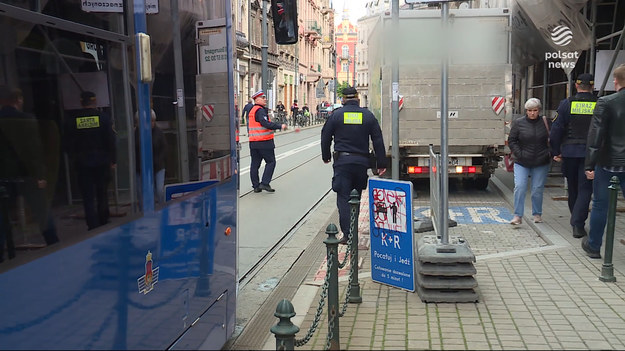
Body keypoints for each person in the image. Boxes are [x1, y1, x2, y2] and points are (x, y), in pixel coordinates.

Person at [321, 86, 387, 244]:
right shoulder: (367, 115)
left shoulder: (336, 115)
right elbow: (377, 139)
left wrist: (325, 156)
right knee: (356, 196)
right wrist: (381, 163)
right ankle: (354, 227)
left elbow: (325, 137)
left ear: (343, 99)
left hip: (342, 162)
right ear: (357, 98)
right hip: (361, 163)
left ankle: (348, 234)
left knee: (343, 198)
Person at [0, 87, 58, 261]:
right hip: (28, 176)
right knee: (42, 212)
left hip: (3, 176)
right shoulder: (26, 120)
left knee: (2, 217)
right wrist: (40, 175)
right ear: (17, 99)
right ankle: (53, 244)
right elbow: (34, 151)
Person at [582, 64, 625, 259]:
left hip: (608, 164)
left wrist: (589, 164)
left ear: (615, 81)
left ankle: (594, 246)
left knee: (600, 205)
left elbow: (595, 136)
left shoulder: (606, 102)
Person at [550, 73, 597, 239]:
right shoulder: (598, 104)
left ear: (576, 86)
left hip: (569, 153)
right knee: (585, 189)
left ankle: (576, 220)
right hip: (590, 154)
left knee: (573, 188)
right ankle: (578, 224)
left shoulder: (566, 104)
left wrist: (555, 151)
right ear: (592, 87)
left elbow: (556, 130)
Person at [65, 91, 116, 230]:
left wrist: (73, 158)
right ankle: (103, 220)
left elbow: (68, 144)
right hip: (101, 161)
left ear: (82, 102)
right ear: (94, 102)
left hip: (82, 163)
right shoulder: (103, 118)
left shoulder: (73, 120)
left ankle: (92, 224)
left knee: (87, 196)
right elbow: (111, 140)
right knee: (102, 193)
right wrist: (113, 160)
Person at [507, 97, 551, 225]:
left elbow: (553, 138)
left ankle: (537, 214)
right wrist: (519, 153)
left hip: (541, 161)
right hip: (522, 161)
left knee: (537, 189)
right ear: (526, 111)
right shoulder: (519, 123)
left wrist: (549, 153)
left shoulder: (545, 122)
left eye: (535, 110)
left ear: (539, 110)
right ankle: (517, 215)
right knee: (520, 187)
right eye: (530, 110)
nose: (532, 113)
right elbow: (512, 140)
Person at [248, 90, 287, 193]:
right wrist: (279, 126)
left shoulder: (252, 110)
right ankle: (265, 183)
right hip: (264, 142)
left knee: (255, 164)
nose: (265, 99)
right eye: (263, 98)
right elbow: (265, 123)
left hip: (253, 142)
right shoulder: (260, 110)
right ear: (257, 99)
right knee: (271, 162)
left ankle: (256, 186)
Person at [134, 109, 167, 206]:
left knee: (160, 190)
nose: (151, 123)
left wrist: (158, 160)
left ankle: (161, 208)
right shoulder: (136, 134)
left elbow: (164, 148)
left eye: (152, 121)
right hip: (140, 167)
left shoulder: (159, 133)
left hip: (157, 166)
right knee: (141, 192)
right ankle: (143, 211)